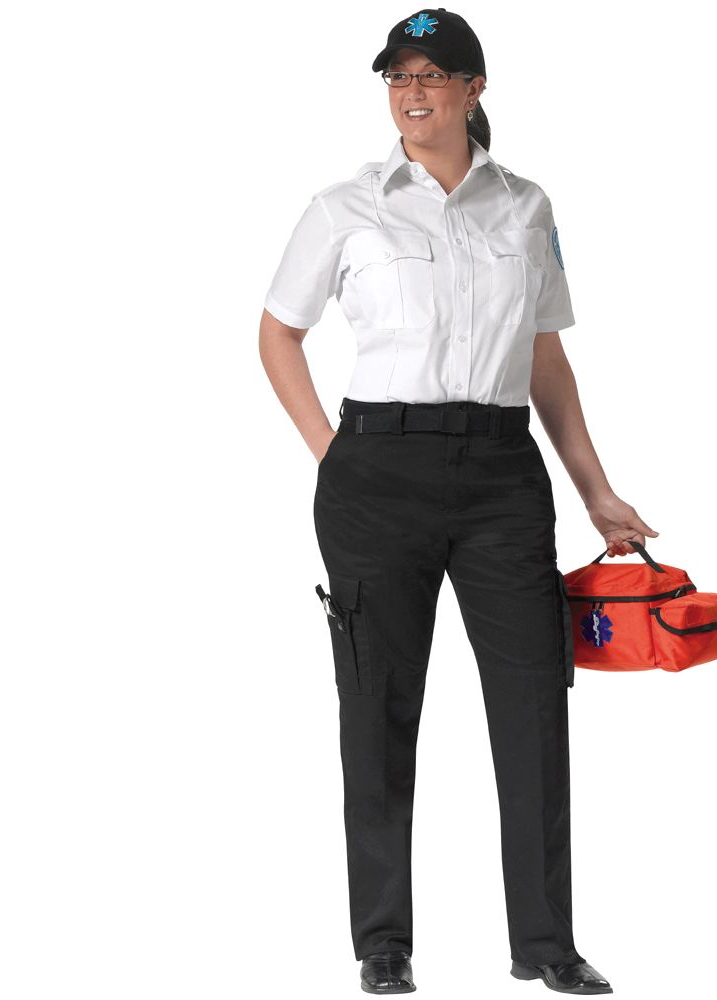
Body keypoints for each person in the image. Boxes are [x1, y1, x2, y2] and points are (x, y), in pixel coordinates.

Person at [258, 8, 656, 995]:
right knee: (377, 708)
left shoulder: (524, 205)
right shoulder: (344, 206)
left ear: (474, 88)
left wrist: (596, 489)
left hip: (500, 474)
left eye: (432, 74)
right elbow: (277, 332)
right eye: (398, 76)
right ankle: (383, 942)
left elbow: (545, 355)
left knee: (534, 704)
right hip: (375, 471)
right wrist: (334, 456)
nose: (412, 92)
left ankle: (545, 944)